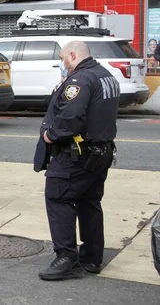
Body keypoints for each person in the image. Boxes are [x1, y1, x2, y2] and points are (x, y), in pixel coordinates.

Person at [34, 40, 120, 281]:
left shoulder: (80, 80)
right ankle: (92, 257)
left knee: (58, 196)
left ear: (72, 55)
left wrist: (50, 136)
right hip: (99, 153)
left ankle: (66, 258)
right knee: (88, 201)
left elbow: (71, 117)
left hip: (77, 154)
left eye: (63, 60)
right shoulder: (106, 76)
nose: (63, 65)